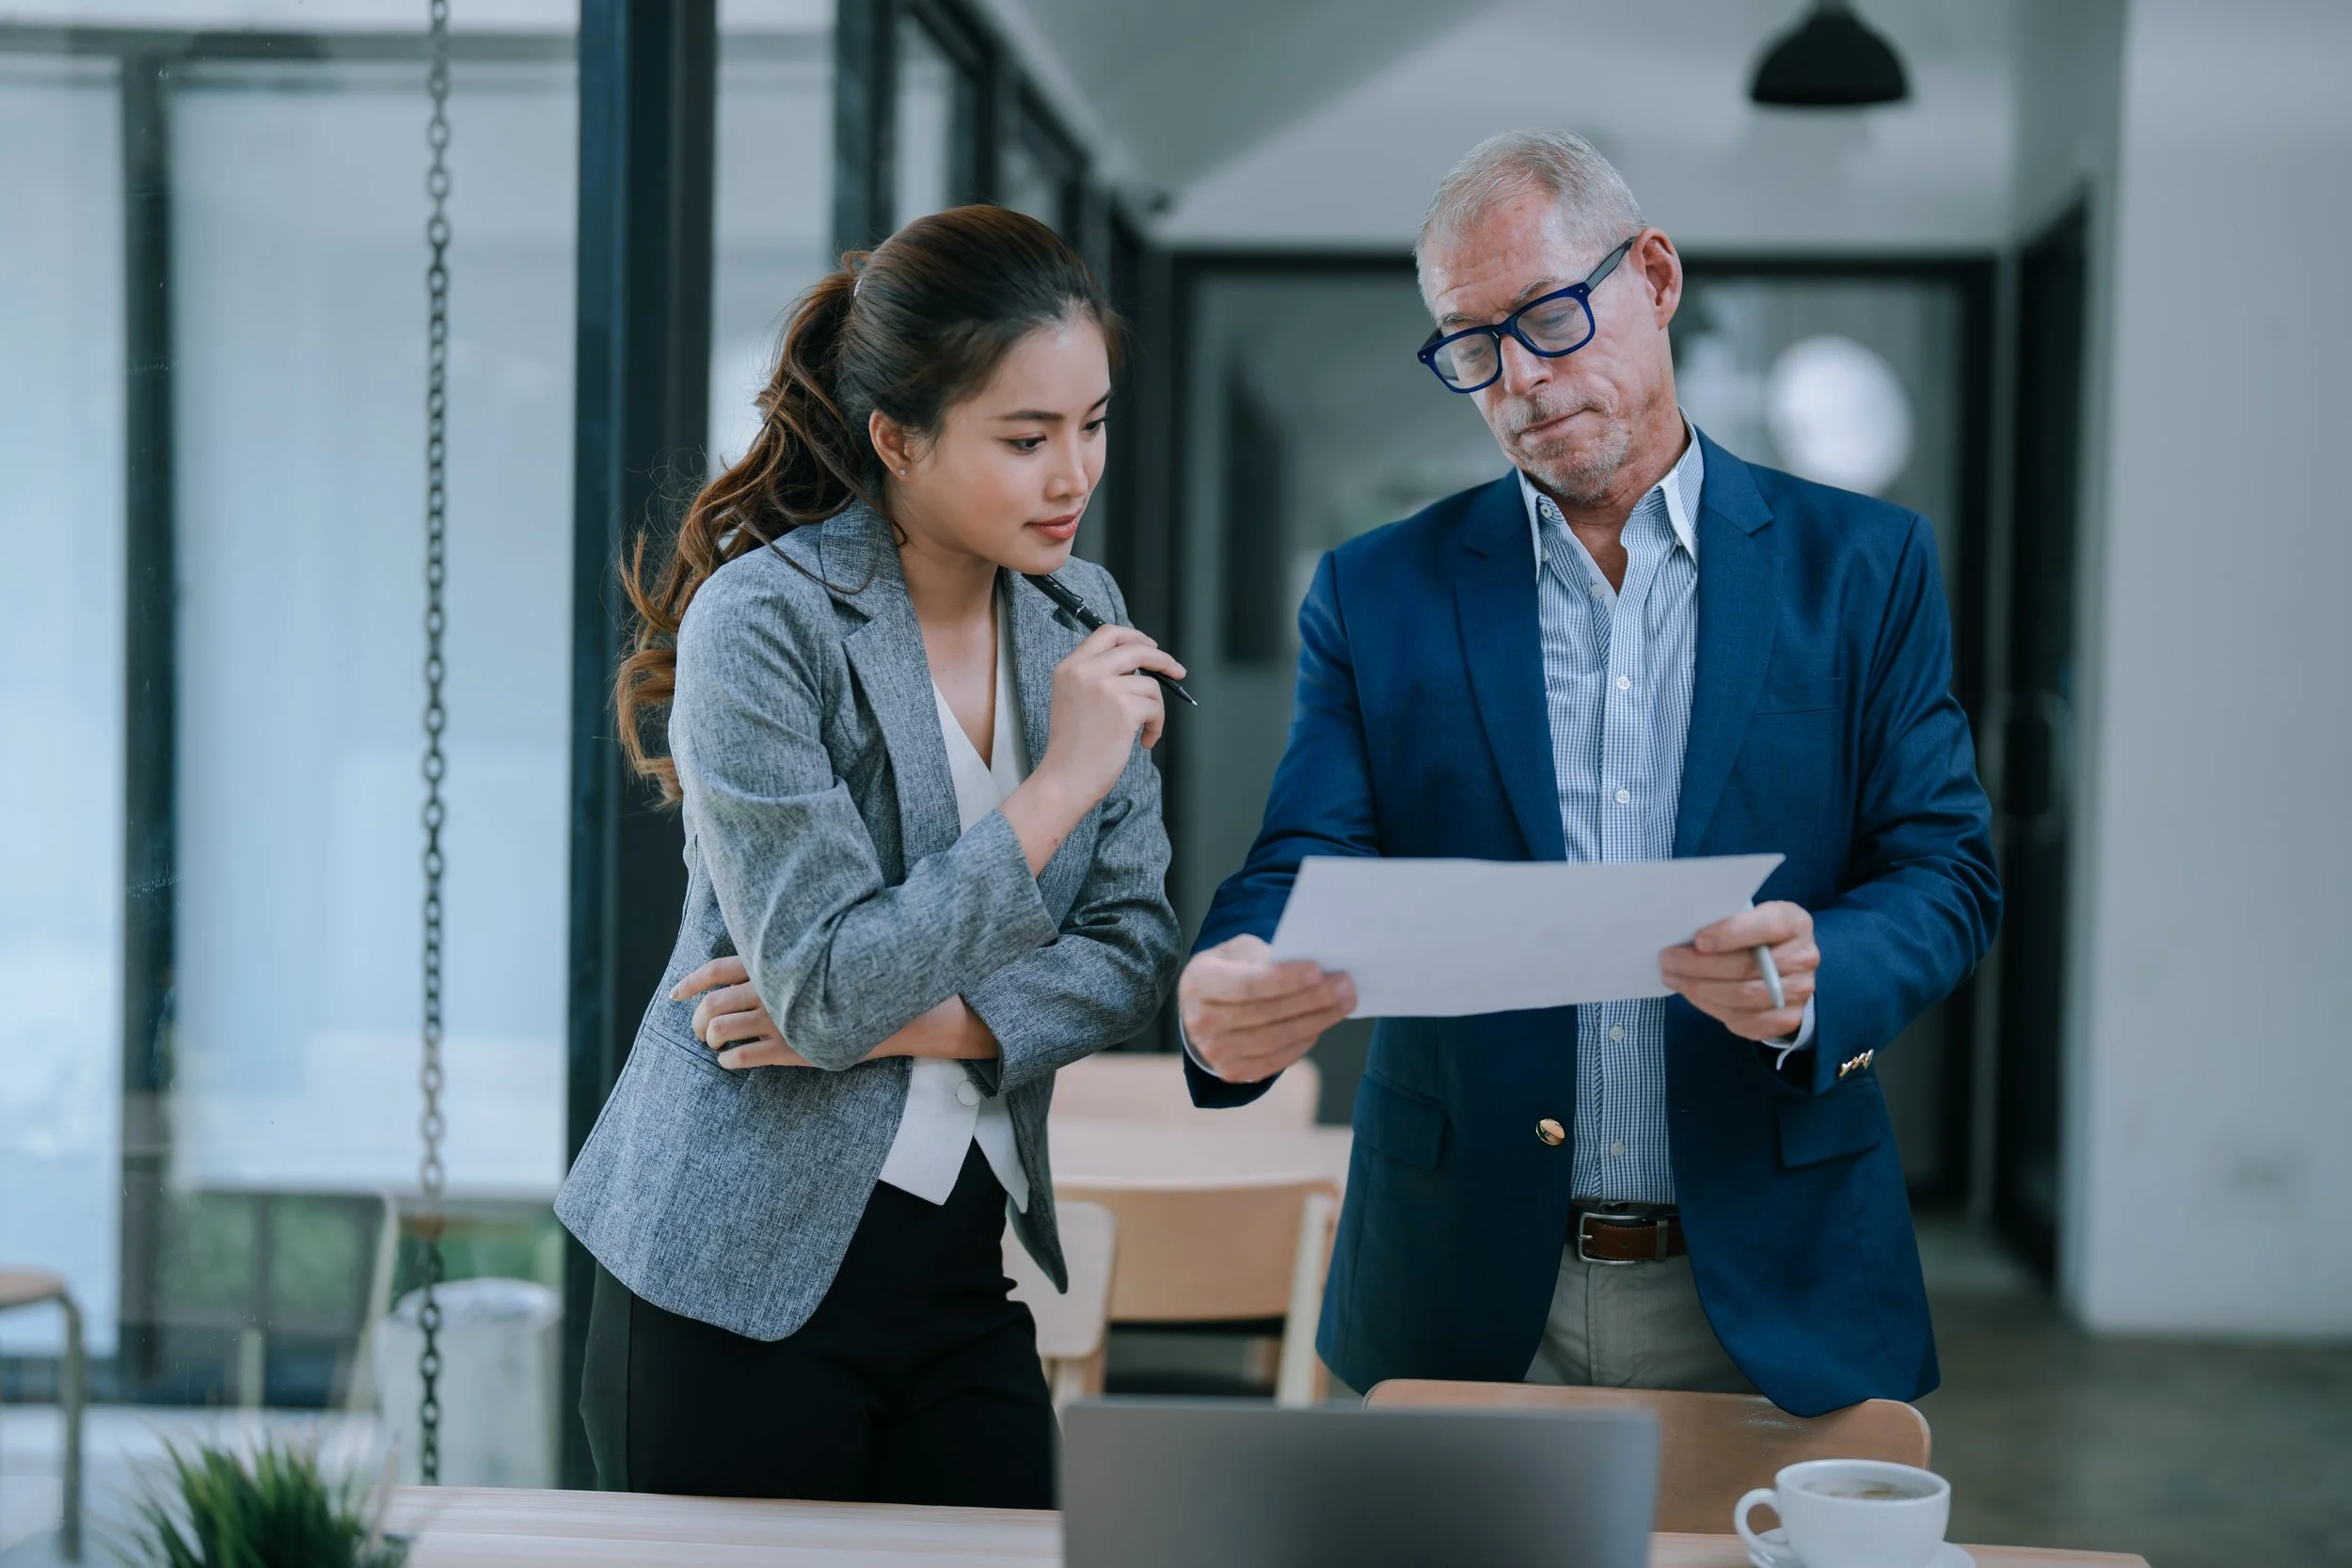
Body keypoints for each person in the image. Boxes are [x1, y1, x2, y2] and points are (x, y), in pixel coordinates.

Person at [1176, 131, 1999, 1417]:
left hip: (1780, 1283)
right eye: (1473, 344)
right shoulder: (1376, 590)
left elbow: (1945, 869)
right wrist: (1220, 987)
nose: (1521, 378)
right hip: (1455, 1284)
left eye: (1552, 317)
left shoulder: (1866, 565)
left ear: (1656, 278)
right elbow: (1302, 861)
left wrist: (1823, 973)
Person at [555, 205, 1183, 1507]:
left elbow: (1132, 954)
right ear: (899, 437)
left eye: (1095, 423)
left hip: (958, 1266)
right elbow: (825, 986)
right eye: (1027, 437)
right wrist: (1062, 779)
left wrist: (923, 1026)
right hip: (726, 1277)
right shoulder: (764, 622)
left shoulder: (1086, 612)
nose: (1075, 474)